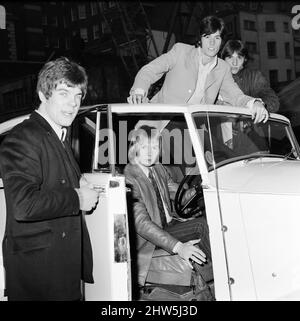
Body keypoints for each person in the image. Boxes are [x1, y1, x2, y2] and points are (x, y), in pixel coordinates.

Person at [0, 57, 99, 301]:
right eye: (64, 93)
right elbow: (23, 205)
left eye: (78, 96)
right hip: (39, 274)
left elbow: (54, 181)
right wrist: (76, 198)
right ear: (43, 95)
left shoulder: (57, 135)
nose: (73, 104)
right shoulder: (23, 138)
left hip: (59, 266)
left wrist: (79, 182)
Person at [124, 125, 214, 300]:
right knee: (201, 226)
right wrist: (179, 247)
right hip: (150, 240)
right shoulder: (130, 177)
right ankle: (223, 272)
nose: (150, 153)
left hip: (169, 224)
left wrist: (198, 190)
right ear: (135, 148)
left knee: (206, 219)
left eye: (155, 148)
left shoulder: (158, 169)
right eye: (144, 147)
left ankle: (206, 274)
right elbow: (141, 224)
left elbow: (178, 193)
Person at [127, 15, 269, 124]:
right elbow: (150, 70)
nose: (212, 43)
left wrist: (255, 103)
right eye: (207, 37)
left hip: (195, 128)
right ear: (200, 38)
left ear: (222, 40)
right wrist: (139, 92)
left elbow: (236, 96)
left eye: (217, 37)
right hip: (162, 123)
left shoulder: (223, 68)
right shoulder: (180, 51)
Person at [220, 39, 279, 112]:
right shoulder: (216, 77)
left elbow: (273, 101)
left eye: (239, 58)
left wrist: (259, 105)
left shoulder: (254, 77)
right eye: (230, 57)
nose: (234, 63)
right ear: (223, 59)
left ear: (245, 59)